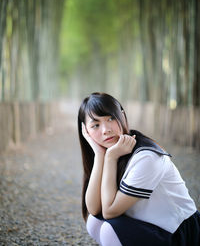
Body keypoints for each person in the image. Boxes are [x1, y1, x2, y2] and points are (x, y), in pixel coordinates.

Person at [77, 92, 200, 246]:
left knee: (109, 230)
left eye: (111, 118)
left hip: (179, 232)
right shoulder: (113, 150)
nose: (105, 130)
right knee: (94, 222)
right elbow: (94, 209)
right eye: (95, 125)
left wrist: (110, 158)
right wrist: (99, 155)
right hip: (153, 225)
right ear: (86, 132)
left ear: (122, 115)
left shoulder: (146, 157)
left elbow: (109, 211)